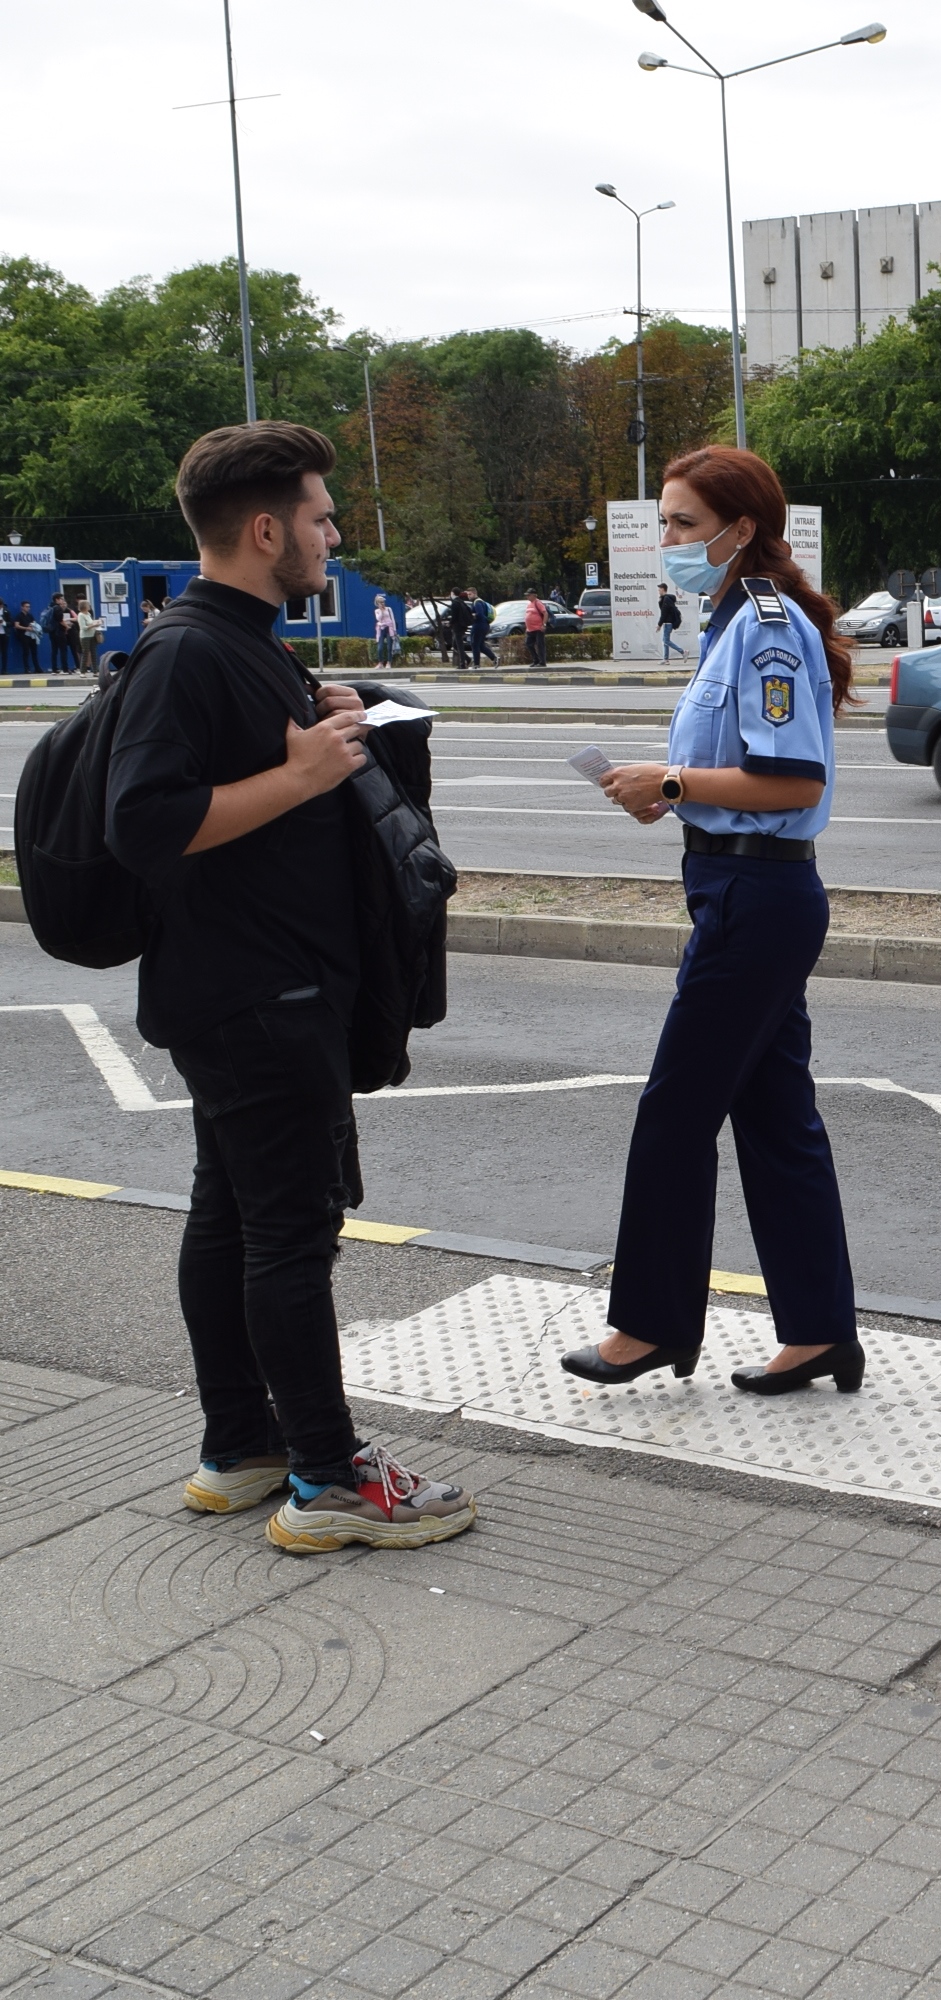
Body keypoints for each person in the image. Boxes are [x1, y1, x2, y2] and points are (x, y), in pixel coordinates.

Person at [103, 420, 476, 1553]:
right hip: (259, 994)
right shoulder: (191, 650)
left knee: (232, 1216)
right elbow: (147, 824)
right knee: (289, 1231)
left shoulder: (238, 640)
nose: (331, 533)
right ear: (263, 529)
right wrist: (304, 770)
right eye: (319, 517)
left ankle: (240, 1447)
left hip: (253, 985)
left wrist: (326, 731)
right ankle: (326, 1476)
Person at [565, 445, 861, 1398]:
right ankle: (818, 1331)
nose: (667, 542)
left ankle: (649, 1326)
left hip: (757, 899)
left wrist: (677, 780)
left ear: (741, 530)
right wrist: (671, 794)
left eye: (684, 524)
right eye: (663, 522)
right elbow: (737, 777)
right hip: (740, 887)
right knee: (777, 1120)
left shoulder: (767, 627)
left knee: (674, 1112)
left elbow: (792, 780)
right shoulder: (732, 622)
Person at [656, 580, 685, 660]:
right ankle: (666, 659)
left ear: (663, 589)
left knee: (666, 641)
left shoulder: (666, 599)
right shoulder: (665, 599)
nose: (658, 591)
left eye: (659, 589)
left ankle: (682, 652)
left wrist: (659, 625)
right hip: (667, 623)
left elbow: (664, 614)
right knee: (665, 641)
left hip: (668, 623)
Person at [466, 587, 495, 666]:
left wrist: (472, 615)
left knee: (474, 644)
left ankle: (476, 664)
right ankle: (494, 658)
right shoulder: (480, 601)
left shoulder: (477, 602)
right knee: (481, 645)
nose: (468, 596)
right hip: (484, 625)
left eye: (470, 594)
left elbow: (480, 614)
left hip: (479, 625)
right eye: (468, 594)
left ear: (475, 594)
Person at [446, 588, 472, 670]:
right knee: (455, 645)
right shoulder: (461, 601)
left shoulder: (455, 603)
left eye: (451, 593)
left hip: (458, 627)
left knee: (459, 645)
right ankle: (467, 659)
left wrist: (449, 623)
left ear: (453, 593)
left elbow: (454, 617)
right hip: (463, 626)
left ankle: (462, 664)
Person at [523, 588, 549, 668]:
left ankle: (542, 662)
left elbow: (545, 613)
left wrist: (543, 624)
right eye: (527, 595)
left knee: (540, 645)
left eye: (529, 595)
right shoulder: (529, 604)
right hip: (530, 629)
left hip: (538, 628)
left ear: (534, 595)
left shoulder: (538, 603)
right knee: (529, 644)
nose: (527, 597)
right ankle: (536, 660)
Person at [372, 592, 398, 667]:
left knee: (389, 647)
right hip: (381, 628)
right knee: (380, 647)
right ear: (377, 603)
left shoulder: (389, 609)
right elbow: (378, 619)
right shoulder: (377, 611)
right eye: (380, 602)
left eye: (383, 602)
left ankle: (389, 662)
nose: (383, 604)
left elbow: (392, 619)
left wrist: (394, 630)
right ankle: (380, 663)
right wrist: (381, 611)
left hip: (389, 628)